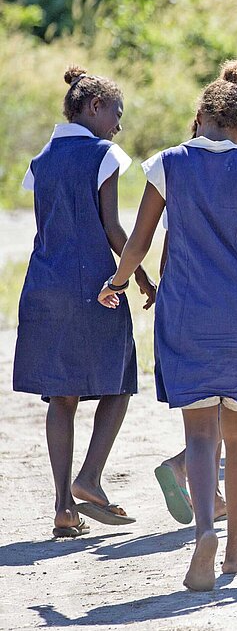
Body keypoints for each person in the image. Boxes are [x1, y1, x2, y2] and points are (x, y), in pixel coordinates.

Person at [99, 56, 237, 591]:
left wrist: (120, 280)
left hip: (186, 313)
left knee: (199, 435)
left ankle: (203, 534)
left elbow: (142, 240)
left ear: (201, 114)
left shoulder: (166, 163)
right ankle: (236, 552)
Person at [15, 66, 156, 537]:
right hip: (94, 288)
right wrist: (139, 276)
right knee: (119, 383)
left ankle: (62, 506)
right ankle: (90, 478)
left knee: (61, 395)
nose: (119, 125)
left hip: (43, 286)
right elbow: (112, 228)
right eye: (117, 113)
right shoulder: (104, 154)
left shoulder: (40, 159)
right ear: (94, 107)